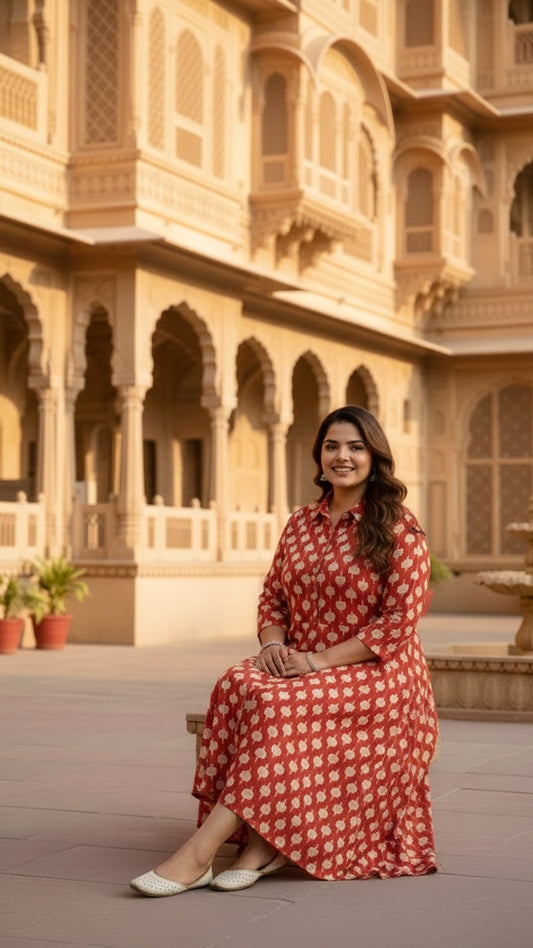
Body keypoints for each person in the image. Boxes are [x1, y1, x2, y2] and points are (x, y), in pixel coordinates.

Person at [131, 405, 438, 897]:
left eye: (356, 447)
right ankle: (261, 842)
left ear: (374, 457)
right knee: (236, 683)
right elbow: (272, 594)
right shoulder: (301, 522)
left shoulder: (399, 527)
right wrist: (273, 644)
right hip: (298, 659)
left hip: (377, 672)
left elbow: (399, 622)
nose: (343, 456)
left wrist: (316, 661)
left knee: (279, 703)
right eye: (332, 445)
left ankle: (199, 853)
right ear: (318, 455)